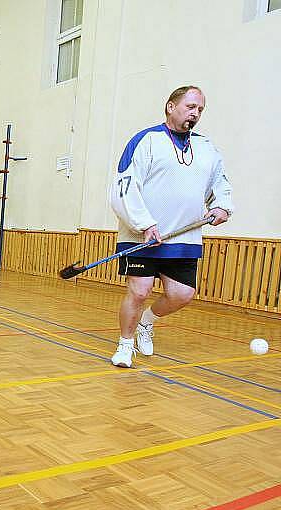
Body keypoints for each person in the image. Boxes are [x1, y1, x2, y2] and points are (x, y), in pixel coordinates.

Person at [108, 85, 233, 368]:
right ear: (170, 106)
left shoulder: (205, 148)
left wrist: (222, 205)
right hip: (142, 235)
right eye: (190, 107)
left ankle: (146, 323)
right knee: (139, 291)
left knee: (182, 294)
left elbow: (220, 182)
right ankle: (125, 346)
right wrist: (144, 224)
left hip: (184, 236)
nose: (196, 113)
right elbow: (123, 187)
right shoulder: (146, 140)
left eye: (200, 109)